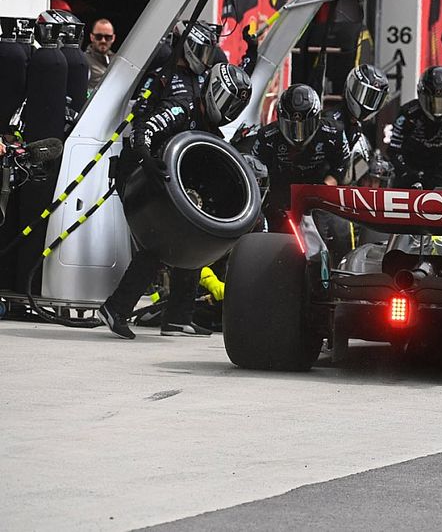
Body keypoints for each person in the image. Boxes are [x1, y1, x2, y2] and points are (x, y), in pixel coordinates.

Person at [97, 55, 253, 340]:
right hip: (139, 173)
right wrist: (146, 156)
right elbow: (141, 129)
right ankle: (115, 309)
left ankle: (178, 319)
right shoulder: (182, 108)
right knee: (161, 243)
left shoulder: (209, 127)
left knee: (192, 238)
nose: (231, 110)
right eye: (229, 103)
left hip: (165, 181)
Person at [248, 84, 349, 231]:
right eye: (292, 127)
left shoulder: (334, 132)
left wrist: (323, 189)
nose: (298, 135)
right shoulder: (266, 137)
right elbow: (254, 172)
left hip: (317, 195)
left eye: (304, 126)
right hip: (280, 196)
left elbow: (342, 163)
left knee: (336, 228)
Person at [388, 66, 442, 189]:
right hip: (411, 167)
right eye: (432, 102)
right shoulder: (408, 114)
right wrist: (405, 172)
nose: (437, 109)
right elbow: (394, 150)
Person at [327, 64, 390, 184]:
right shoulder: (330, 121)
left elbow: (359, 176)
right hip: (321, 190)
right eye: (364, 95)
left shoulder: (361, 130)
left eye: (373, 99)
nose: (368, 104)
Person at [85, 18, 115, 98]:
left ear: (113, 38)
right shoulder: (83, 61)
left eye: (108, 37)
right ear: (92, 37)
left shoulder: (118, 62)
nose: (103, 40)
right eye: (99, 37)